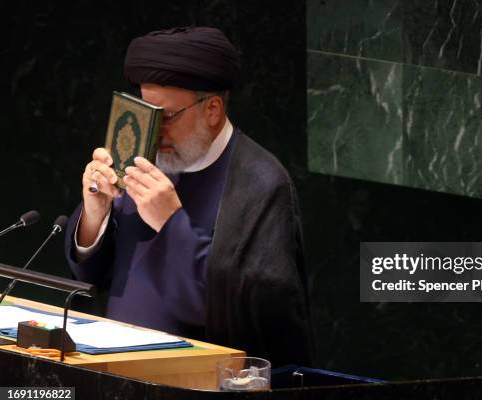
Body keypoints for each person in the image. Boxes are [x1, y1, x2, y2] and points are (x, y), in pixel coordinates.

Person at [64, 26, 314, 366]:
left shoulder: (261, 182)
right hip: (115, 375)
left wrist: (170, 222)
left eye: (164, 117)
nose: (153, 133)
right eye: (144, 113)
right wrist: (96, 213)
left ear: (211, 109)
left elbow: (253, 311)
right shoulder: (145, 155)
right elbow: (93, 276)